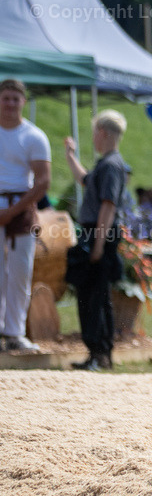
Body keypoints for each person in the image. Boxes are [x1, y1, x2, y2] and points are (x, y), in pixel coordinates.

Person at [65, 110, 129, 371]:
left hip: (99, 233)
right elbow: (85, 180)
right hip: (97, 233)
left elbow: (108, 205)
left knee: (94, 295)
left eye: (94, 132)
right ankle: (98, 353)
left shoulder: (112, 165)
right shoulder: (107, 164)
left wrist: (98, 244)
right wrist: (70, 156)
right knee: (93, 294)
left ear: (102, 132)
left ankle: (100, 353)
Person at [0, 78, 49, 353]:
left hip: (22, 206)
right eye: (5, 98)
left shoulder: (33, 136)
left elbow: (42, 181)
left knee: (20, 272)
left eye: (15, 99)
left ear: (23, 102)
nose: (9, 104)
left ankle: (14, 332)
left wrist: (12, 212)